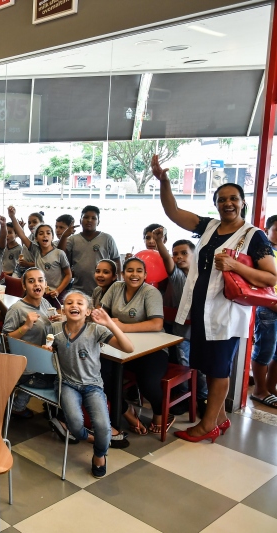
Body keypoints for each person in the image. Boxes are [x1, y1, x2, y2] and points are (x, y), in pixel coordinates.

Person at [152, 156, 277, 442]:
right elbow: (173, 212)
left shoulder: (254, 236)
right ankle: (219, 419)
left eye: (233, 199)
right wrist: (165, 181)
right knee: (207, 366)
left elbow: (270, 278)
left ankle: (207, 425)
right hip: (202, 312)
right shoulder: (208, 227)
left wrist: (235, 266)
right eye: (222, 200)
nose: (227, 203)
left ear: (242, 203)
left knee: (219, 369)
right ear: (216, 204)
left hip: (226, 315)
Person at [50, 291, 134, 478]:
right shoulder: (55, 329)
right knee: (75, 424)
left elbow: (128, 348)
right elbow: (46, 351)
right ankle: (88, 437)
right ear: (63, 309)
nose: (74, 305)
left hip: (93, 385)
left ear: (88, 311)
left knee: (103, 427)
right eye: (69, 302)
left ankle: (99, 455)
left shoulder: (95, 330)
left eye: (80, 303)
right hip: (67, 384)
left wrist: (109, 323)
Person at [100, 257, 169, 435]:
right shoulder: (116, 287)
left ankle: (161, 413)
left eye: (139, 271)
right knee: (100, 374)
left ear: (145, 275)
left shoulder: (150, 292)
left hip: (152, 349)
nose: (134, 274)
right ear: (123, 274)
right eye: (130, 270)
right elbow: (102, 313)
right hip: (121, 347)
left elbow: (157, 324)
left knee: (148, 383)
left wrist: (122, 327)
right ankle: (126, 411)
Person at [152, 228, 207, 411]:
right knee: (184, 364)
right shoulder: (177, 276)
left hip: (202, 330)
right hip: (182, 331)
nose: (179, 257)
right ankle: (184, 396)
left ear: (194, 255)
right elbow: (166, 260)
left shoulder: (204, 276)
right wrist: (159, 242)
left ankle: (203, 398)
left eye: (184, 253)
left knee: (202, 367)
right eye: (175, 254)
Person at [2, 267, 58, 418]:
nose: (37, 284)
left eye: (40, 280)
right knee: (66, 381)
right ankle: (57, 416)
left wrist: (57, 322)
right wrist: (26, 327)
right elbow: (5, 340)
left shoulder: (45, 303)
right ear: (24, 285)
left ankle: (20, 405)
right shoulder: (17, 309)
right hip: (27, 369)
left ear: (46, 284)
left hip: (42, 362)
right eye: (31, 281)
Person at [9, 206, 71, 302]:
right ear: (36, 238)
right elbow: (22, 235)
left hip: (56, 294)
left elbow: (68, 275)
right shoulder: (36, 251)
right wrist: (12, 216)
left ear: (52, 237)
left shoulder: (59, 253)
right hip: (40, 293)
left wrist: (58, 290)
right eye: (41, 233)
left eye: (48, 233)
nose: (45, 235)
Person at [58, 205, 121, 294]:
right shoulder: (72, 239)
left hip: (103, 290)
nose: (89, 220)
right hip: (78, 289)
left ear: (98, 222)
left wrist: (118, 283)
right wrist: (64, 236)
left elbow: (116, 260)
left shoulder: (107, 239)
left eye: (93, 218)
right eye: (86, 217)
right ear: (80, 220)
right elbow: (60, 257)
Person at [251, 214, 277, 409]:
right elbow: (258, 284)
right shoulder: (264, 253)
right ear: (267, 230)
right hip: (268, 307)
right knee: (264, 350)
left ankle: (270, 387)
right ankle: (259, 390)